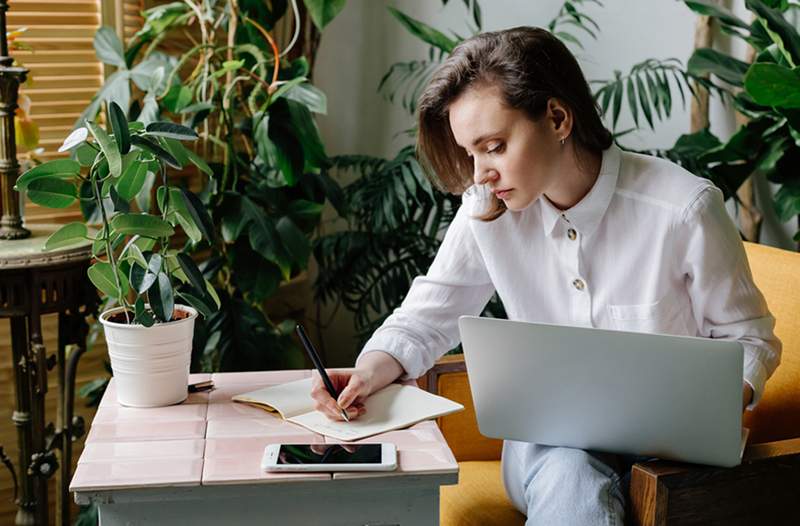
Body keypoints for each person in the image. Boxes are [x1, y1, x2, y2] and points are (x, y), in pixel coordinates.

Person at [309, 26, 781, 525]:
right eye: (471, 153)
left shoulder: (682, 208)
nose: (479, 174)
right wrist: (367, 371)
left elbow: (750, 339)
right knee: (570, 468)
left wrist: (719, 401)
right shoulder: (485, 213)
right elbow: (425, 319)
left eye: (493, 146)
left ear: (557, 117)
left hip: (670, 457)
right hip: (548, 454)